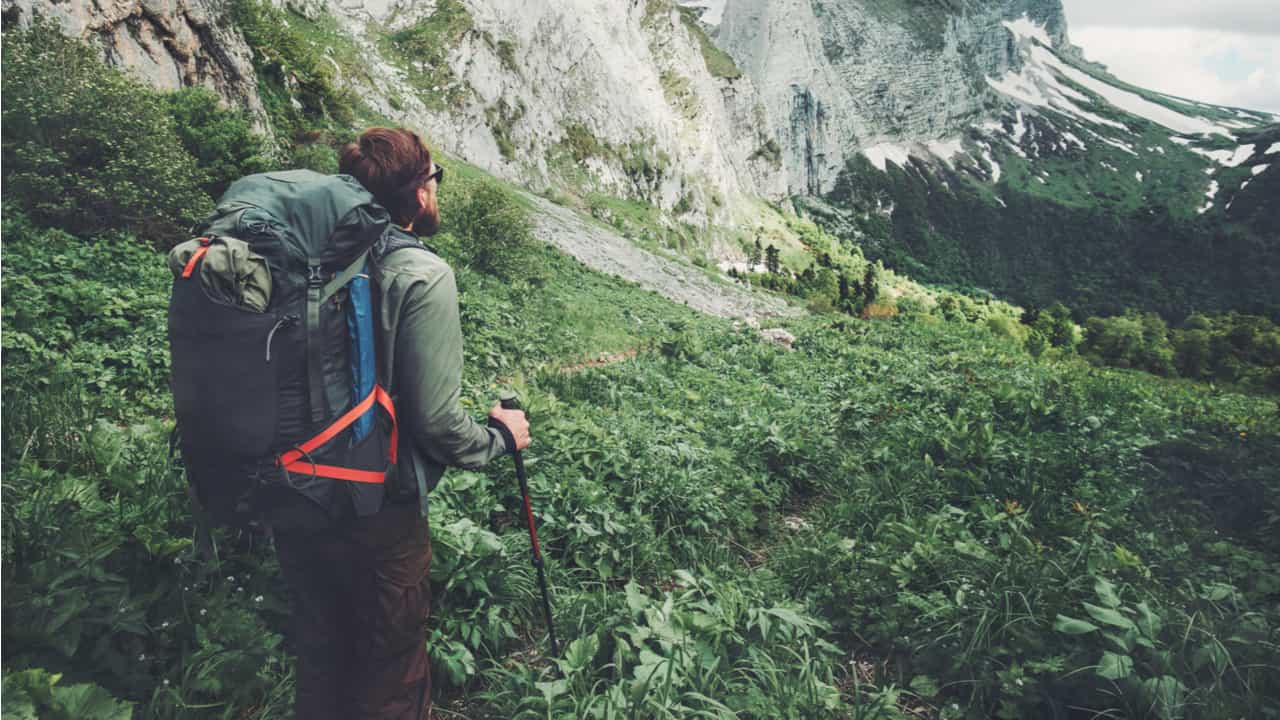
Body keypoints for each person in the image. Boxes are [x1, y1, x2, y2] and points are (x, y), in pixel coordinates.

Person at [271, 127, 532, 720]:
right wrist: (499, 437)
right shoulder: (420, 273)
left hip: (295, 490)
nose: (437, 191)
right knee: (389, 665)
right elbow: (438, 423)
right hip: (378, 509)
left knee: (321, 652)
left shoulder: (307, 254)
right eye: (435, 178)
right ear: (417, 193)